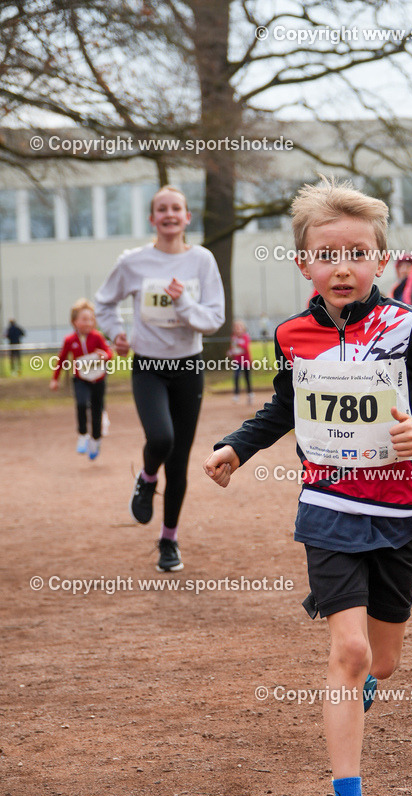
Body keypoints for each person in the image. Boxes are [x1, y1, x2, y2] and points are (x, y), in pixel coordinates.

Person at [204, 176, 412, 796]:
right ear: (303, 263)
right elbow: (283, 406)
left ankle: (351, 697)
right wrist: (237, 447)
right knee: (350, 653)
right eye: (327, 255)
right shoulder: (290, 335)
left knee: (381, 662)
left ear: (380, 259)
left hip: (399, 514)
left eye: (357, 253)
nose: (342, 266)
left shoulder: (408, 328)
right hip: (328, 510)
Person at [95, 185, 225, 572]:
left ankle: (169, 540)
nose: (169, 214)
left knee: (180, 461)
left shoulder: (202, 260)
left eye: (176, 209)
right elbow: (104, 302)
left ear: (187, 217)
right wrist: (115, 332)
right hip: (148, 366)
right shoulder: (133, 262)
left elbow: (214, 317)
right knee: (161, 439)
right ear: (152, 219)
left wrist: (183, 302)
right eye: (162, 209)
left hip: (188, 368)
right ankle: (147, 476)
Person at [49, 299, 112, 459]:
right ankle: (83, 434)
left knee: (97, 410)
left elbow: (108, 352)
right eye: (84, 319)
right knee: (82, 404)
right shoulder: (70, 340)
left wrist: (105, 356)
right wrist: (55, 379)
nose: (88, 322)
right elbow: (62, 359)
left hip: (98, 379)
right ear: (74, 321)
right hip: (80, 378)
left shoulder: (97, 337)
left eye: (91, 319)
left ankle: (96, 439)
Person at [230, 319, 253, 403]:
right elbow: (233, 348)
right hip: (237, 361)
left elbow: (245, 347)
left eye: (239, 327)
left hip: (245, 361)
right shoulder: (234, 337)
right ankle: (236, 394)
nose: (237, 329)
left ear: (243, 329)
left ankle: (250, 394)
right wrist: (230, 352)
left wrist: (238, 343)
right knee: (236, 376)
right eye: (236, 327)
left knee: (247, 377)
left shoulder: (245, 336)